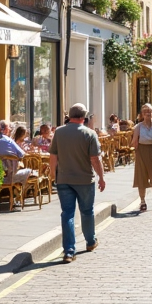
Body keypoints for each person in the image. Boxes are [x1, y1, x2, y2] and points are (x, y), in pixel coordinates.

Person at [50, 103, 107, 263]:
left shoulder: (59, 132)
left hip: (64, 179)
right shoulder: (89, 134)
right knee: (87, 211)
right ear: (83, 117)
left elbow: (53, 157)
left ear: (70, 116)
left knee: (67, 214)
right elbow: (95, 159)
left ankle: (69, 251)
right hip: (85, 180)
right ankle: (90, 242)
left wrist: (53, 175)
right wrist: (101, 177)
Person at [0, 120, 34, 190]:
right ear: (5, 129)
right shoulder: (8, 140)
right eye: (9, 127)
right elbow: (22, 154)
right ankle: (20, 195)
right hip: (12, 176)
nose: (10, 129)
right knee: (30, 171)